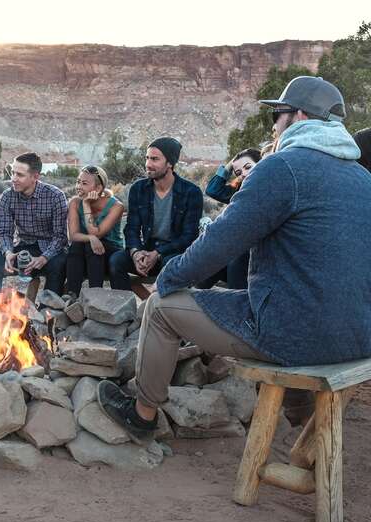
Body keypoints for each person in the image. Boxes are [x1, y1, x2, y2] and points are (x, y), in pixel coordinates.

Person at [98, 76, 371, 442]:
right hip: (358, 336)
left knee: (160, 308)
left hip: (295, 333)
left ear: (300, 116)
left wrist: (169, 277)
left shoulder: (281, 168)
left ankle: (142, 415)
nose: (274, 125)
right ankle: (307, 430)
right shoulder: (361, 178)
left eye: (278, 115)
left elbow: (220, 242)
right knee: (298, 309)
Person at [108, 137, 203, 292]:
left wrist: (158, 253)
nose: (148, 164)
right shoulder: (138, 189)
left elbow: (189, 236)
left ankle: (162, 313)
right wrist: (136, 253)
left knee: (171, 264)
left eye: (154, 159)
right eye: (147, 158)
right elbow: (131, 228)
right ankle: (124, 313)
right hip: (146, 251)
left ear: (170, 163)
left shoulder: (191, 192)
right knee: (116, 260)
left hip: (173, 253)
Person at [0, 152, 68, 295]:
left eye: (19, 175)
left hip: (50, 249)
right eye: (13, 173)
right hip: (23, 247)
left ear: (35, 177)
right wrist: (8, 252)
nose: (13, 178)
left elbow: (61, 237)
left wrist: (44, 258)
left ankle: (47, 312)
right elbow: (4, 232)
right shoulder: (7, 196)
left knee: (58, 267)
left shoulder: (55, 196)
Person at [196, 148, 262, 290]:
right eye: (238, 173)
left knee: (235, 260)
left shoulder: (274, 190)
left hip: (257, 258)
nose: (243, 174)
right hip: (237, 255)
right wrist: (233, 162)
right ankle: (187, 300)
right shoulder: (239, 193)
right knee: (211, 262)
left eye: (248, 167)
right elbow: (213, 190)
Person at [65, 165, 124, 297]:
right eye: (78, 182)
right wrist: (91, 239)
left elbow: (96, 233)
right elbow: (73, 235)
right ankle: (71, 296)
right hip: (85, 251)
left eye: (84, 183)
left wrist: (86, 205)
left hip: (111, 252)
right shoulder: (74, 202)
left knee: (89, 246)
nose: (78, 186)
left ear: (98, 188)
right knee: (77, 245)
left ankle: (95, 296)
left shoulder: (116, 206)